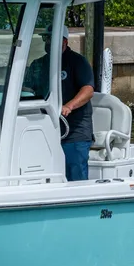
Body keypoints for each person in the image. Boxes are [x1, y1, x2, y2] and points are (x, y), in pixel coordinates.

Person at [23, 24, 95, 181]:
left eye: (51, 39)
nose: (47, 42)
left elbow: (88, 90)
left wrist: (69, 106)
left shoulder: (78, 62)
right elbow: (26, 89)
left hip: (75, 130)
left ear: (64, 41)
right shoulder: (38, 64)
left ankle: (79, 202)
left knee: (75, 172)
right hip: (44, 127)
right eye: (46, 39)